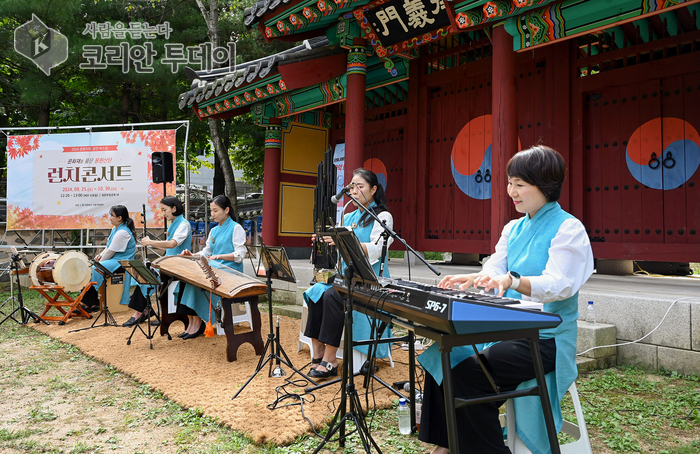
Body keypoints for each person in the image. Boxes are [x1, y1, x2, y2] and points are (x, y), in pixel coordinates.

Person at [418, 145, 594, 454]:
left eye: (519, 184)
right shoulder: (513, 227)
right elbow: (496, 266)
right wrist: (474, 278)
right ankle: (448, 444)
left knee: (469, 375)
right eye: (509, 182)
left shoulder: (569, 228)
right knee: (443, 356)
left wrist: (513, 280)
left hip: (546, 338)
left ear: (546, 185)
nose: (511, 191)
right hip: (509, 328)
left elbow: (559, 285)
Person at [303, 168, 394, 379]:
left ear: (373, 189)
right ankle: (317, 352)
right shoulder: (348, 215)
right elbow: (339, 248)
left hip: (370, 279)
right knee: (316, 292)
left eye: (360, 186)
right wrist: (324, 242)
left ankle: (330, 358)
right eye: (352, 186)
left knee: (332, 295)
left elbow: (378, 248)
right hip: (347, 275)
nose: (354, 190)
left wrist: (345, 241)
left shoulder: (382, 216)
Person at [176, 195, 246, 339]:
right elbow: (206, 252)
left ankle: (198, 323)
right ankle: (193, 321)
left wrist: (221, 256)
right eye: (211, 211)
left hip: (231, 270)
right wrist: (192, 254)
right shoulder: (214, 230)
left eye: (216, 211)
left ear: (226, 210)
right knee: (190, 278)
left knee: (201, 279)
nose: (212, 214)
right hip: (216, 267)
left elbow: (240, 254)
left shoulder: (236, 228)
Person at [122, 196, 192, 327]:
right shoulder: (175, 223)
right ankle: (142, 310)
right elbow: (169, 246)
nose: (163, 213)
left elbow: (172, 244)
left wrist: (150, 242)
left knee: (149, 275)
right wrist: (150, 244)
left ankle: (141, 312)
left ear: (174, 208)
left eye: (165, 210)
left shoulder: (183, 224)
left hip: (179, 265)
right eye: (162, 210)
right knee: (145, 274)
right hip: (169, 263)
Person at [80, 205, 137, 312]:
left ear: (119, 218)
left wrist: (99, 263)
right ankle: (93, 302)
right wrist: (100, 256)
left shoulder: (122, 232)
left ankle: (87, 304)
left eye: (112, 215)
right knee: (92, 268)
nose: (109, 217)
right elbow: (108, 247)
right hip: (115, 260)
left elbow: (111, 251)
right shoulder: (116, 229)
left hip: (122, 262)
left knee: (93, 269)